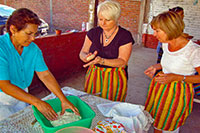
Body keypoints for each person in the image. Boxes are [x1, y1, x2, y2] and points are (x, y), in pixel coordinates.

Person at [0, 8, 79, 121]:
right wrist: (37, 102)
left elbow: (45, 75)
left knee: (22, 123)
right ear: (13, 29)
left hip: (23, 95)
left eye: (35, 34)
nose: (32, 38)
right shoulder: (1, 48)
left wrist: (63, 99)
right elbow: (4, 85)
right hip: (2, 99)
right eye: (28, 34)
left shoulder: (33, 49)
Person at [144, 11, 200, 133]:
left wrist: (177, 77)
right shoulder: (165, 43)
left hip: (177, 92)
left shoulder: (193, 51)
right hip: (160, 88)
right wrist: (156, 67)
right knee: (157, 120)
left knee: (170, 125)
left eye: (157, 31)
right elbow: (169, 63)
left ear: (169, 29)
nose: (154, 34)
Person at [79, 0, 134, 102]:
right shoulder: (93, 33)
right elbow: (82, 52)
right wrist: (86, 57)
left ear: (116, 18)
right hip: (94, 74)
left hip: (115, 76)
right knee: (92, 101)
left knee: (112, 104)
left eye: (108, 20)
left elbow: (122, 61)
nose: (103, 23)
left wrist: (101, 61)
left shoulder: (125, 36)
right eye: (100, 19)